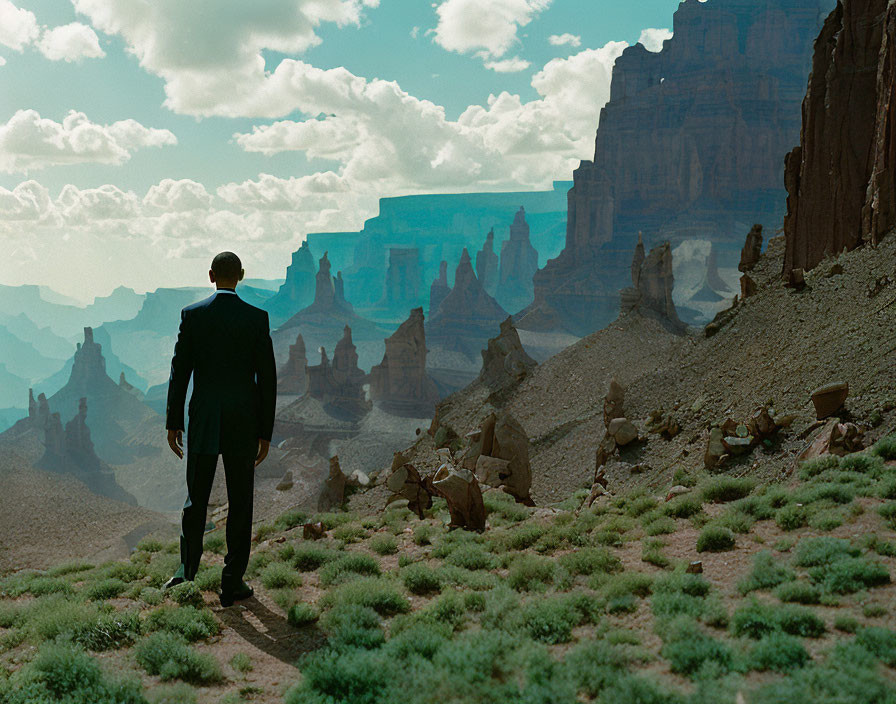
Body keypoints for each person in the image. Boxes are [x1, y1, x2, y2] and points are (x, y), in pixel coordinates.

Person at [163, 251, 277, 607]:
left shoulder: (193, 315)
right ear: (241, 275)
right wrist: (265, 431)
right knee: (241, 501)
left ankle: (186, 574)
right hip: (244, 421)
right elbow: (268, 379)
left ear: (211, 275)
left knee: (195, 499)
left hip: (204, 418)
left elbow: (179, 371)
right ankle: (232, 583)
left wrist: (173, 421)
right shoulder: (257, 318)